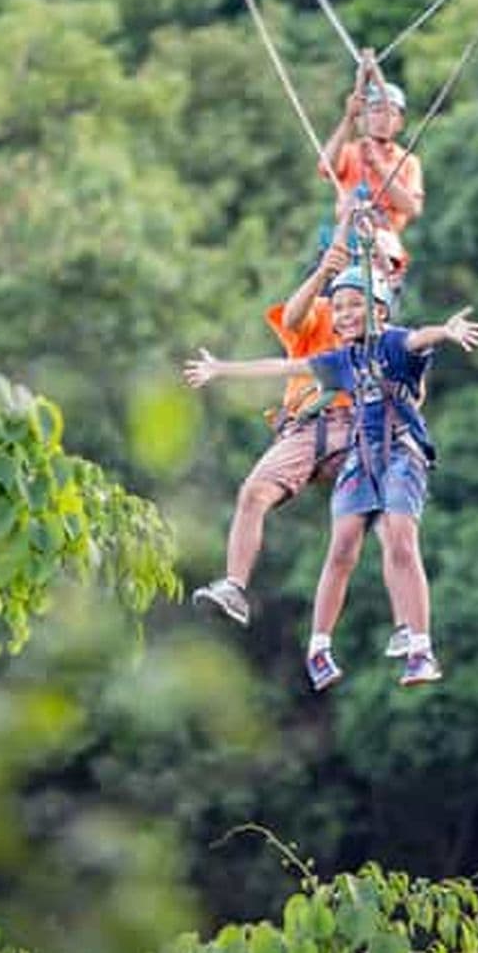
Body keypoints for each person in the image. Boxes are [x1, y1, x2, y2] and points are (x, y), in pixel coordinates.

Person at [184, 267, 478, 690]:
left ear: (378, 311)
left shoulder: (394, 343)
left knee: (399, 535)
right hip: (362, 456)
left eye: (352, 307)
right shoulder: (342, 362)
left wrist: (448, 331)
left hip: (400, 452)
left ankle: (419, 646)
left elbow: (420, 338)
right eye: (338, 308)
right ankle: (319, 648)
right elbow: (285, 366)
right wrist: (222, 369)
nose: (341, 316)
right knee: (342, 545)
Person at [189, 236, 409, 654]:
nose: (346, 312)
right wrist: (326, 271)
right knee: (254, 492)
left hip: (361, 427)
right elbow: (290, 333)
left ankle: (405, 624)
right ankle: (235, 586)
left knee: (383, 526)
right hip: (308, 426)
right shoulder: (328, 313)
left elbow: (411, 392)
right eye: (377, 261)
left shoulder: (392, 337)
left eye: (390, 265)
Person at [320, 51, 423, 284]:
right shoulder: (350, 151)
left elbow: (412, 208)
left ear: (400, 122)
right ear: (362, 118)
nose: (383, 118)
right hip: (347, 237)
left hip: (384, 243)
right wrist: (348, 118)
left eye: (391, 113)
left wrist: (379, 167)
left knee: (379, 296)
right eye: (375, 111)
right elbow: (327, 167)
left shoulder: (407, 161)